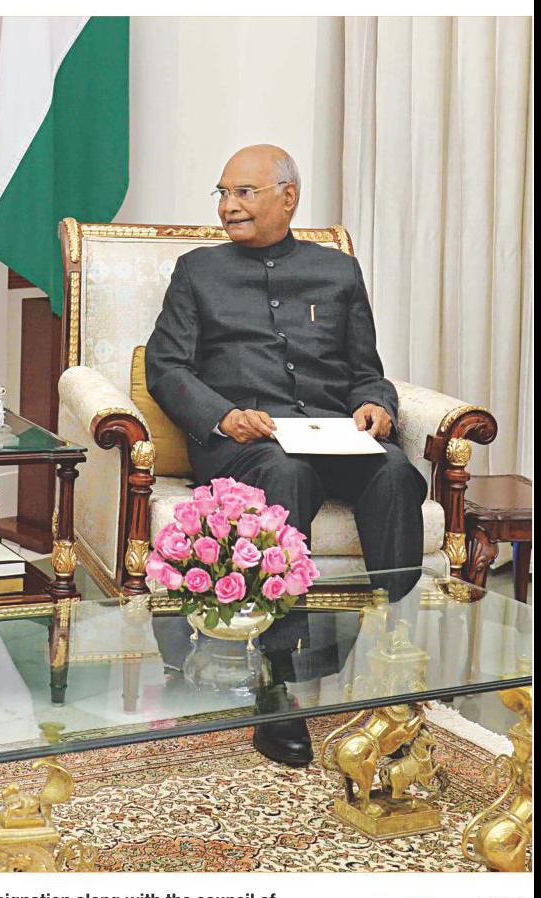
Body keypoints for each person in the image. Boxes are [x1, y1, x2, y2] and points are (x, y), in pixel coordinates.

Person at [145, 143, 425, 767]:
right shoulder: (197, 272)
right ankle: (278, 691)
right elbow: (167, 367)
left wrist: (375, 405)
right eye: (222, 193)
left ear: (288, 197)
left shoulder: (338, 272)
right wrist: (224, 415)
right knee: (286, 473)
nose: (228, 206)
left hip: (333, 436)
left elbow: (367, 371)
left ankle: (397, 659)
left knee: (394, 471)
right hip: (248, 445)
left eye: (243, 192)